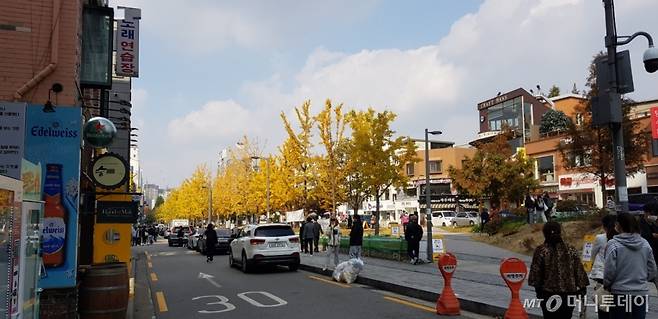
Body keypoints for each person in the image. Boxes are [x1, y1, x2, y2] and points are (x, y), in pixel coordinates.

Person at [528, 222, 589, 319]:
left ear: (545, 233)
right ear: (560, 233)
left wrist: (538, 291)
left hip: (548, 294)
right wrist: (582, 289)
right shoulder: (570, 249)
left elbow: (535, 274)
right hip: (569, 294)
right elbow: (579, 270)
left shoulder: (541, 250)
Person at [604, 213, 657, 319]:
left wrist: (607, 285)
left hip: (619, 292)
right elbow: (653, 269)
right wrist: (642, 278)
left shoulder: (613, 244)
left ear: (618, 225)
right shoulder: (645, 244)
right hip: (640, 293)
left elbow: (610, 271)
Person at [590, 214, 618, 318]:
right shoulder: (620, 238)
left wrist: (593, 264)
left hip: (602, 276)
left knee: (603, 306)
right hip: (617, 277)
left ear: (604, 226)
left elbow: (593, 254)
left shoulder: (600, 238)